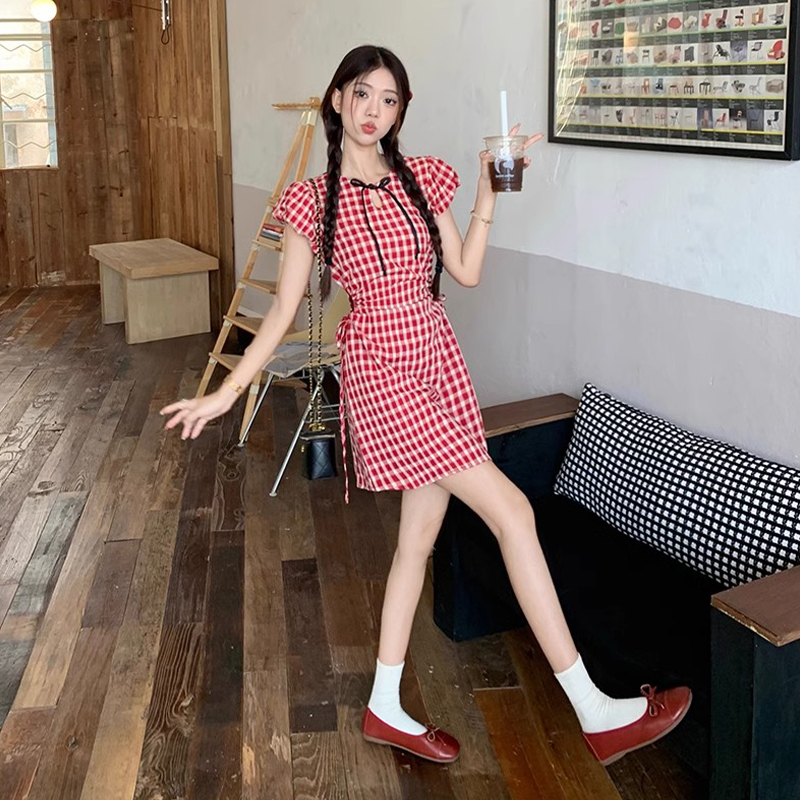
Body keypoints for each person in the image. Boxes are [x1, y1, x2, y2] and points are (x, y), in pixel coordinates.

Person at [160, 44, 691, 767]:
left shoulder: (423, 177)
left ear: (400, 110)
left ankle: (384, 705)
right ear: (338, 98)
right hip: (383, 375)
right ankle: (595, 712)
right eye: (363, 93)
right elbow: (282, 312)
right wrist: (225, 392)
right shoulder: (310, 201)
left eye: (390, 99)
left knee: (416, 542)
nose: (374, 110)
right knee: (514, 512)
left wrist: (489, 190)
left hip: (438, 360)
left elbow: (464, 271)